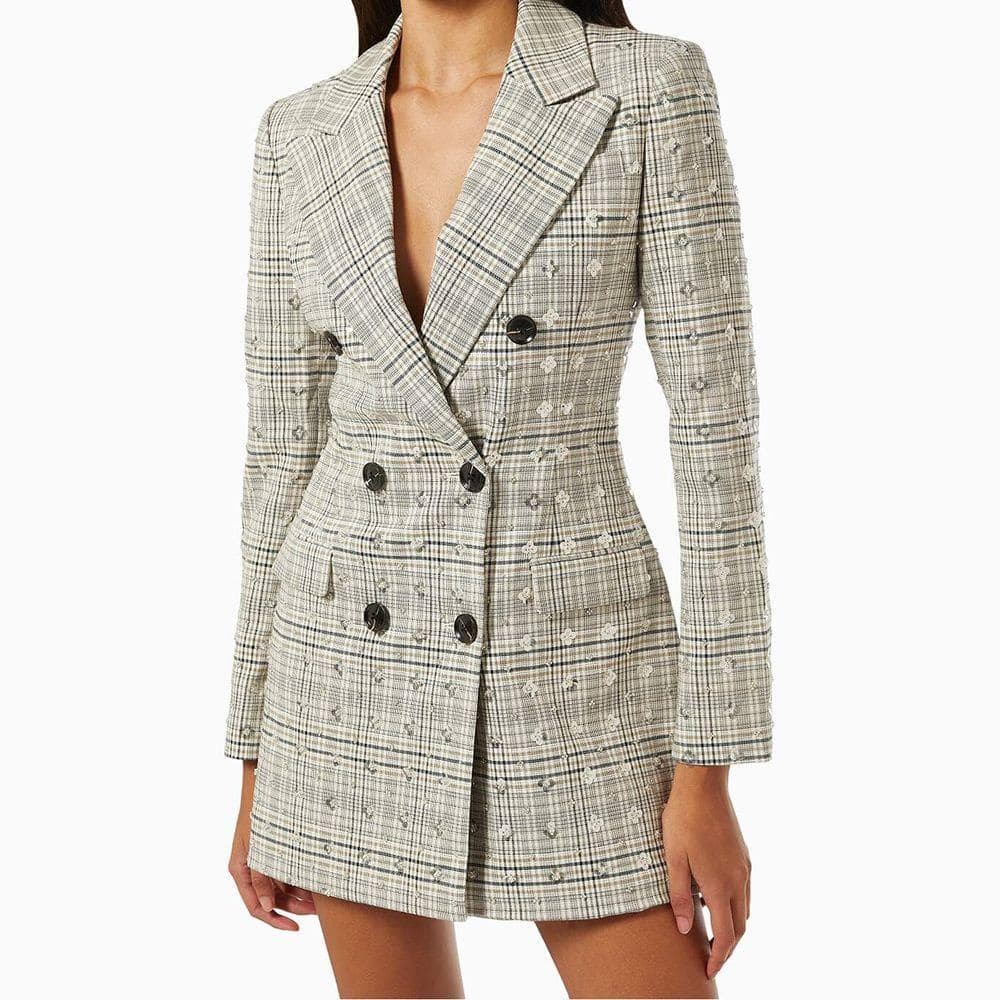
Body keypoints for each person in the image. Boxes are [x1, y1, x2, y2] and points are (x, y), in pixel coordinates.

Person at [225, 1, 772, 996]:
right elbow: (279, 464)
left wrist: (708, 770)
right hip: (343, 684)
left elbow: (716, 446)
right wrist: (259, 758)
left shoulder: (644, 88)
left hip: (576, 670)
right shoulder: (301, 131)